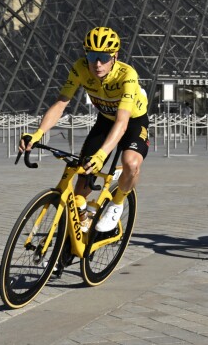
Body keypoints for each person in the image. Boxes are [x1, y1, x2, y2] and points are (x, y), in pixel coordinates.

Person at [19, 27, 149, 233]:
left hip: (132, 121)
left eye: (104, 57)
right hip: (105, 120)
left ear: (115, 56)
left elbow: (122, 123)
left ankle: (117, 203)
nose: (97, 63)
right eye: (92, 56)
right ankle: (79, 228)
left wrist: (101, 155)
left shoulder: (127, 75)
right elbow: (61, 103)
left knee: (131, 163)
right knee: (82, 182)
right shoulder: (80, 68)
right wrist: (37, 133)